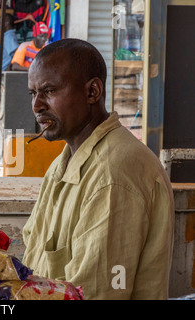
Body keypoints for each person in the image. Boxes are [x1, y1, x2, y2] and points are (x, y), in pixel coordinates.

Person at [22, 38, 174, 300]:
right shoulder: (67, 160)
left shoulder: (113, 174)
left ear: (92, 92)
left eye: (49, 91)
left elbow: (95, 293)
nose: (37, 106)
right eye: (33, 93)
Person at [0, 14, 19, 86]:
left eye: (0, 22)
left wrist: (6, 71)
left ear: (7, 22)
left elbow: (16, 55)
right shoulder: (6, 37)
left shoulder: (9, 37)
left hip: (0, 78)